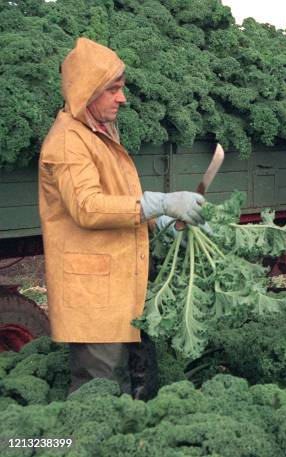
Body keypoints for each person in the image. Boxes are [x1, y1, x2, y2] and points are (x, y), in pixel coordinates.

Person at [38, 38, 205, 396]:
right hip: (95, 296)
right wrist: (157, 203)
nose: (122, 98)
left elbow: (118, 199)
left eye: (121, 88)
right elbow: (87, 206)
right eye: (113, 90)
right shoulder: (69, 142)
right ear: (88, 91)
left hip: (121, 287)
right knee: (103, 395)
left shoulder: (99, 134)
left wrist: (157, 222)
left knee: (139, 386)